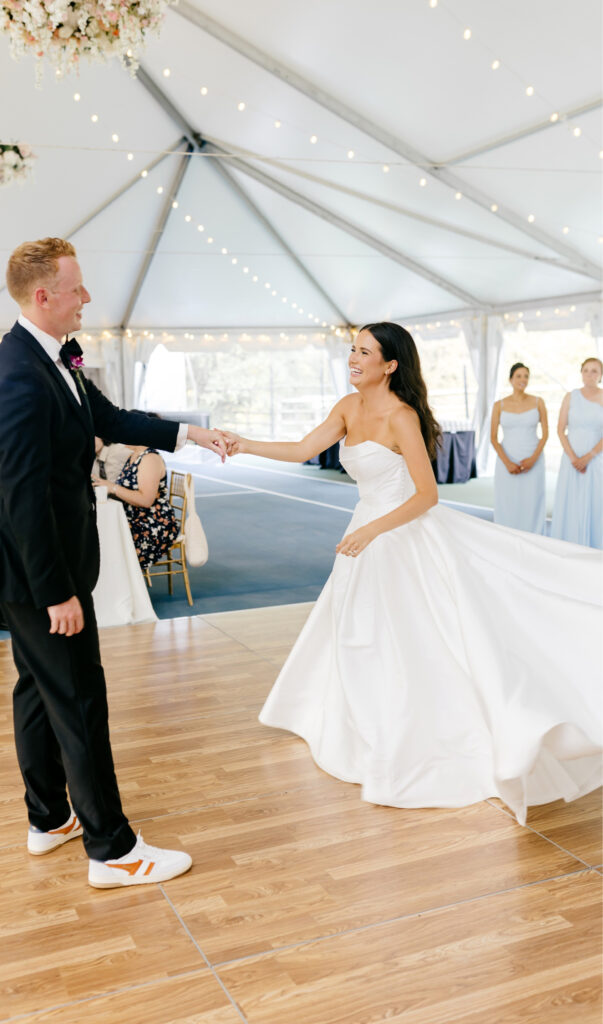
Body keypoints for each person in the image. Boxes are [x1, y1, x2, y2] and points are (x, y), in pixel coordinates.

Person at [224, 322, 602, 826]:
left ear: (390, 364)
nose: (353, 358)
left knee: (408, 638)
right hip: (365, 533)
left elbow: (427, 496)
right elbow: (300, 449)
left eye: (364, 352)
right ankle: (358, 729)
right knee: (356, 631)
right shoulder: (347, 406)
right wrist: (240, 443)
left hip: (399, 533)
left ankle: (416, 736)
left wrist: (374, 530)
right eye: (352, 350)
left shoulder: (402, 417)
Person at [0, 237, 227, 888]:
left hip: (40, 568)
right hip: (40, 572)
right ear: (43, 296)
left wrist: (187, 433)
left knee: (38, 692)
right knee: (80, 698)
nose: (86, 297)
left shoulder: (55, 359)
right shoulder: (12, 378)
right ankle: (112, 850)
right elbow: (25, 497)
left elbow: (108, 416)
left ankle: (48, 818)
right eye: (76, 287)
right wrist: (58, 591)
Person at [93, 444, 179, 570]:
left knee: (109, 540)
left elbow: (146, 501)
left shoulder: (150, 458)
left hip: (152, 523)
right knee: (101, 531)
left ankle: (119, 582)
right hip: (135, 518)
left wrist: (112, 487)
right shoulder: (133, 455)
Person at [551, 357, 603, 549]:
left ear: (600, 375)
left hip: (596, 459)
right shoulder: (570, 396)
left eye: (594, 371)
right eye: (586, 370)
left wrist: (588, 457)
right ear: (581, 373)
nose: (589, 375)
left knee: (595, 502)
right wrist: (574, 458)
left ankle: (595, 547)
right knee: (571, 502)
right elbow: (560, 429)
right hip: (571, 459)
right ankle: (569, 545)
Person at [490, 362, 547, 534]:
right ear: (511, 379)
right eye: (519, 376)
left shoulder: (538, 402)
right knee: (508, 501)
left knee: (532, 500)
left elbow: (545, 435)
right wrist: (507, 462)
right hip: (507, 459)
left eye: (526, 376)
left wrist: (533, 459)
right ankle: (507, 539)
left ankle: (534, 538)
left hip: (533, 458)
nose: (523, 380)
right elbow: (493, 438)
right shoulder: (499, 405)